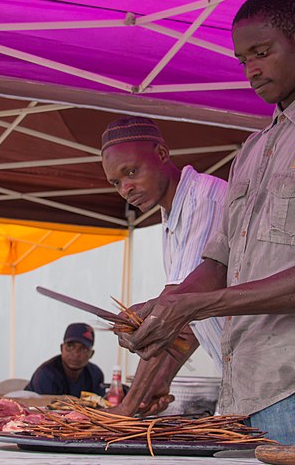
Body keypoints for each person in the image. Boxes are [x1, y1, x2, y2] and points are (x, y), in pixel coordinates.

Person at [113, 0, 295, 464]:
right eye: (243, 60)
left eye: (262, 53)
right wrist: (160, 308)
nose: (252, 70)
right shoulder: (253, 149)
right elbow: (217, 263)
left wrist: (199, 306)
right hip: (237, 393)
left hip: (294, 389)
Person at [100, 116, 227, 416]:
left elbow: (175, 308)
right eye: (116, 182)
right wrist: (159, 381)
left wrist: (128, 407)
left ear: (161, 154)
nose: (125, 189)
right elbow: (189, 325)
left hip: (288, 382)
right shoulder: (172, 215)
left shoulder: (205, 200)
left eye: (131, 172)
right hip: (250, 378)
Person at [25, 323, 107, 398]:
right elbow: (42, 409)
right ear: (61, 348)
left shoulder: (96, 374)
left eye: (83, 349)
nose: (76, 354)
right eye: (70, 346)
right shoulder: (46, 374)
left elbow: (101, 406)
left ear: (91, 354)